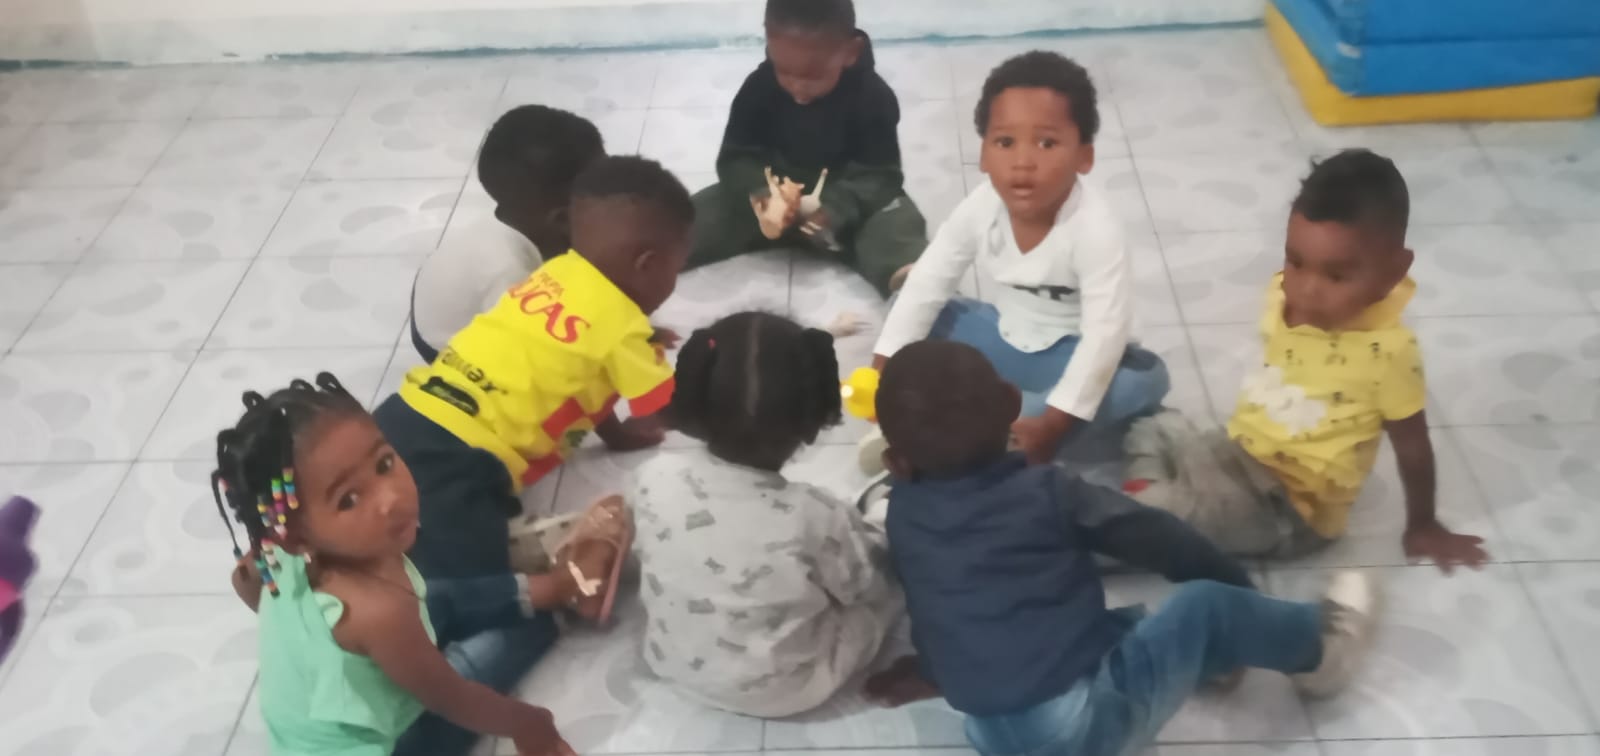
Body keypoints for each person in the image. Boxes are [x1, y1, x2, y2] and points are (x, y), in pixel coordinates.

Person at [861, 341, 1383, 756]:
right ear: (1012, 405)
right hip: (1081, 730)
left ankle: (1215, 661)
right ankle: (1321, 650)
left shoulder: (902, 514)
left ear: (896, 462)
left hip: (992, 736)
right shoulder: (1050, 492)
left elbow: (936, 608)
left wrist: (930, 671)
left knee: (1108, 626)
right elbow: (1156, 535)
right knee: (1207, 607)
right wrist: (1232, 585)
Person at [1122, 149, 1491, 571]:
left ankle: (1137, 513)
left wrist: (1423, 524)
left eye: (1336, 276)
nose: (1306, 289)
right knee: (1154, 426)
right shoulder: (1281, 294)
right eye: (1295, 262)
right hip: (1238, 454)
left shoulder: (1389, 353)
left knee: (1144, 522)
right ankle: (1148, 497)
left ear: (1393, 272)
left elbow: (1413, 447)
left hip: (1288, 509)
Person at [212, 373, 581, 756]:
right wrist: (529, 723)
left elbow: (244, 581)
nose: (390, 498)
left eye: (384, 463)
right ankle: (560, 602)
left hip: (311, 724)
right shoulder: (378, 612)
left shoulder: (275, 552)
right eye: (348, 499)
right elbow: (454, 700)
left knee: (432, 597)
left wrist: (303, 638)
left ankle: (551, 587)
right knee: (496, 647)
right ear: (296, 537)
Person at [373, 156, 692, 597]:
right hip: (462, 456)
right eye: (677, 269)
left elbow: (576, 370)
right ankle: (548, 577)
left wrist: (617, 435)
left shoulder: (553, 272)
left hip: (405, 409)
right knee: (467, 580)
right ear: (648, 264)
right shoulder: (625, 333)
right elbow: (673, 410)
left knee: (388, 505)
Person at [869, 51, 1167, 466]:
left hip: (1070, 354)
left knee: (1144, 379)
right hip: (1004, 338)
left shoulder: (1096, 230)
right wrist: (882, 373)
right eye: (1005, 142)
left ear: (1084, 156)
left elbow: (1104, 337)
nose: (1023, 162)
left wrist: (1053, 424)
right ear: (984, 154)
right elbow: (930, 279)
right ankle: (998, 420)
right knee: (907, 307)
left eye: (1047, 143)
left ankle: (1007, 423)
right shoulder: (981, 206)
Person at [628, 312, 901, 718]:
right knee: (887, 589)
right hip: (787, 689)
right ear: (811, 422)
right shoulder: (816, 515)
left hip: (671, 661)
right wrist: (882, 525)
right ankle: (882, 508)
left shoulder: (653, 476)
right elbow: (867, 585)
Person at [686, 0, 925, 298]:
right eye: (784, 71)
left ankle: (910, 284)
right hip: (769, 194)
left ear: (850, 52)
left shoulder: (873, 98)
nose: (798, 89)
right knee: (693, 216)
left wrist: (836, 208)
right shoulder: (757, 88)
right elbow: (736, 156)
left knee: (894, 220)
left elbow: (880, 174)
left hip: (845, 200)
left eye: (813, 76)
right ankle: (645, 256)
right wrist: (761, 192)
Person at [410, 105, 605, 363]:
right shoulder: (508, 272)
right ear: (560, 218)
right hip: (447, 345)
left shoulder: (517, 219)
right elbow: (521, 350)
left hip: (444, 297)